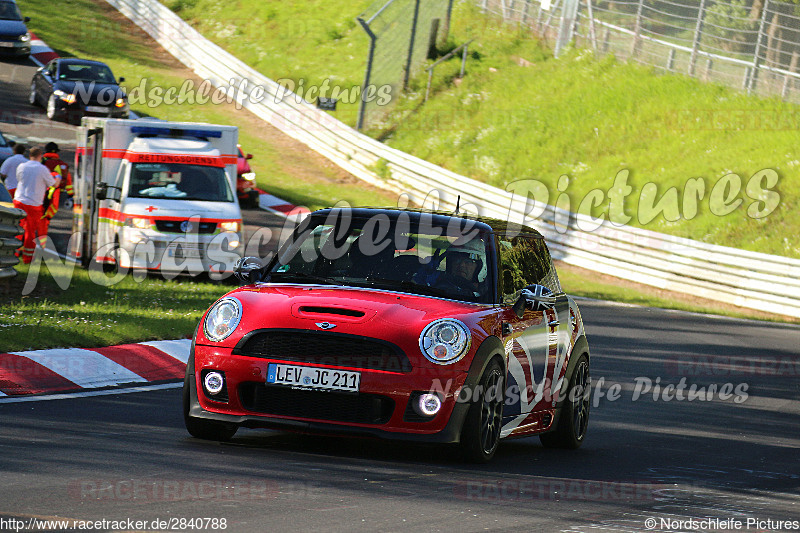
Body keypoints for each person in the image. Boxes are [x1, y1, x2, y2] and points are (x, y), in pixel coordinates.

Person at [13, 147, 61, 264]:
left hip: (19, 200)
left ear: (30, 155)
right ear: (40, 156)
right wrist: (58, 177)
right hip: (34, 204)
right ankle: (27, 258)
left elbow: (19, 179)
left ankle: (13, 253)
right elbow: (53, 184)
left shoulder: (22, 166)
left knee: (17, 228)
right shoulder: (42, 169)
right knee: (30, 231)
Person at [415, 238, 488, 299]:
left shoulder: (486, 295)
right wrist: (423, 278)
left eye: (468, 261)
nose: (461, 265)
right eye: (457, 260)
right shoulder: (439, 285)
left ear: (480, 267)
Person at [40, 142, 74, 235]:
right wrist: (70, 195)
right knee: (46, 215)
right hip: (56, 192)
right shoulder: (62, 165)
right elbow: (68, 181)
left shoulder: (41, 162)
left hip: (38, 191)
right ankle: (42, 235)